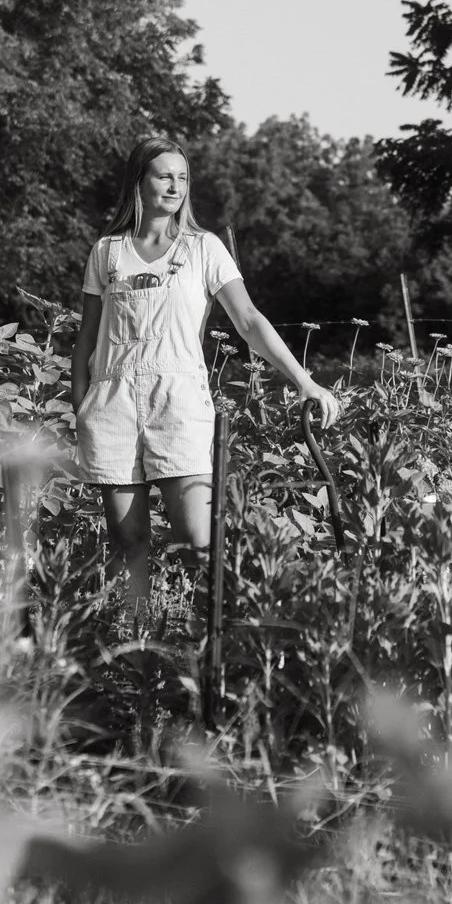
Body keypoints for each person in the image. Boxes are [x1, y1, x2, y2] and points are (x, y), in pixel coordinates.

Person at [72, 134, 340, 624]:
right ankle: (135, 655)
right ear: (139, 182)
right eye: (163, 175)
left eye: (182, 177)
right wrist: (81, 408)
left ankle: (207, 651)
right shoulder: (107, 252)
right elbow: (86, 340)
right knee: (128, 542)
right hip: (110, 403)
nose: (174, 186)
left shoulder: (203, 248)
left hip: (178, 402)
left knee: (197, 543)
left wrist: (304, 381)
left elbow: (250, 320)